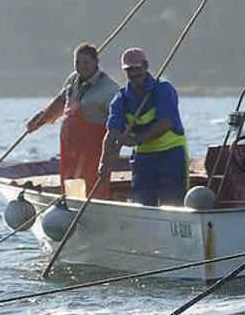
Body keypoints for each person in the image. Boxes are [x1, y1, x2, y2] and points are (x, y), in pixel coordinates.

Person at [97, 48, 189, 206]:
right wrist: (104, 164)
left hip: (171, 155)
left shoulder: (163, 89)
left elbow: (166, 123)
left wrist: (138, 140)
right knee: (144, 204)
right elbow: (112, 133)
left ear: (145, 66)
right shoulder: (120, 99)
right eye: (129, 70)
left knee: (173, 204)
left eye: (136, 69)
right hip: (144, 159)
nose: (133, 74)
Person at [26, 43, 119, 198]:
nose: (81, 67)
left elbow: (118, 122)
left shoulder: (109, 88)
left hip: (93, 149)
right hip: (71, 148)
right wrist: (39, 120)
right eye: (77, 62)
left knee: (91, 185)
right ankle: (68, 204)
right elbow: (60, 102)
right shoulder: (72, 80)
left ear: (96, 62)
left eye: (86, 63)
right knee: (70, 183)